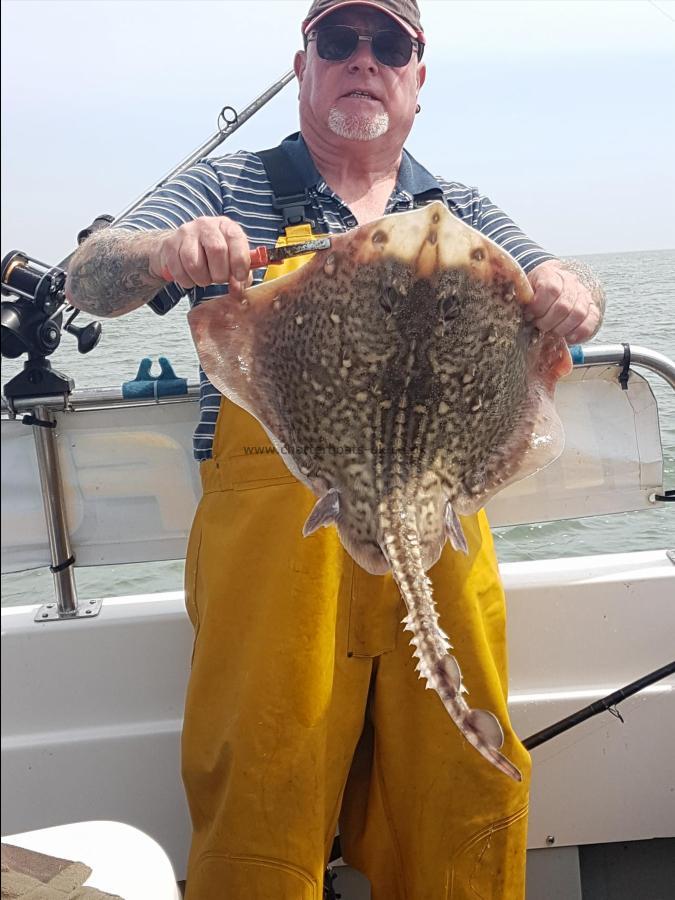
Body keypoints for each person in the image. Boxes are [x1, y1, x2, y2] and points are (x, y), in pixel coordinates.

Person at [66, 1, 605, 897]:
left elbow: (569, 290)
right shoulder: (232, 186)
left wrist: (570, 288)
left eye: (389, 45)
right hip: (277, 540)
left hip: (442, 517)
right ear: (304, 64)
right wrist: (169, 249)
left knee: (455, 802)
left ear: (417, 79)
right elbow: (88, 274)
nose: (365, 60)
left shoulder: (459, 208)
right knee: (263, 798)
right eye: (340, 42)